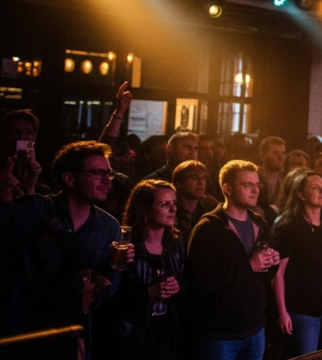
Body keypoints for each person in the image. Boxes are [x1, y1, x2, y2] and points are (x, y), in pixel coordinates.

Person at [0, 141, 133, 356]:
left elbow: (110, 283)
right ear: (69, 178)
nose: (107, 179)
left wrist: (102, 283)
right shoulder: (37, 209)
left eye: (109, 172)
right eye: (98, 173)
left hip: (70, 337)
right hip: (21, 331)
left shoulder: (109, 226)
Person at [186, 159, 281, 360]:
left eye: (257, 185)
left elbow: (265, 275)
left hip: (255, 327)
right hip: (220, 333)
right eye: (247, 185)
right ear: (227, 189)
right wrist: (249, 265)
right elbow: (199, 280)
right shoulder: (208, 228)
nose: (255, 190)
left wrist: (271, 262)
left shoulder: (259, 222)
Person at [101, 180, 184, 360]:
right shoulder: (127, 248)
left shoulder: (174, 243)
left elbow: (185, 282)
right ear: (145, 209)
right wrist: (147, 294)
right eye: (164, 204)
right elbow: (110, 299)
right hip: (132, 333)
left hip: (166, 329)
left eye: (174, 203)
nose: (173, 209)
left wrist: (177, 287)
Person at [272, 169, 322, 356]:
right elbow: (278, 272)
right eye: (315, 187)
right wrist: (282, 311)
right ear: (301, 194)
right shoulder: (289, 226)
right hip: (301, 311)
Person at [172, 160, 217, 242]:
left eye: (204, 178)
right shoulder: (171, 208)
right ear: (178, 183)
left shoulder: (210, 205)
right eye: (194, 177)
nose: (201, 182)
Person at [257, 136, 287, 218]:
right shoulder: (254, 178)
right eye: (275, 152)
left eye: (283, 153)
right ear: (262, 155)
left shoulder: (286, 181)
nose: (281, 157)